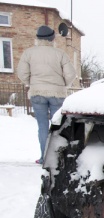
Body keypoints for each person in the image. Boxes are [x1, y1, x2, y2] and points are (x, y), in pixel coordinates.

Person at [17, 25, 76, 164]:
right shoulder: (60, 54)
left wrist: (31, 83)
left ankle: (44, 157)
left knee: (42, 126)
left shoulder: (28, 53)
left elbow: (22, 73)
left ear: (37, 38)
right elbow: (71, 74)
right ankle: (57, 158)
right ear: (52, 38)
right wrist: (64, 85)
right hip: (57, 93)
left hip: (37, 93)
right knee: (57, 125)